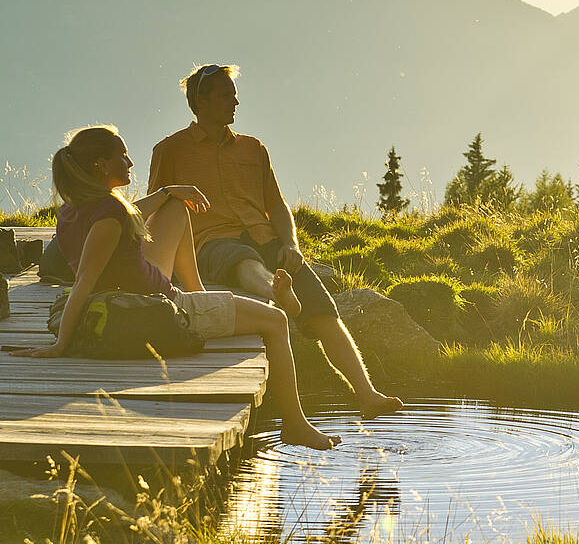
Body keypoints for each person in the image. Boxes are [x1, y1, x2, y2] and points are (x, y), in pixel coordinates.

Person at [13, 124, 339, 451]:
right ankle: (295, 425)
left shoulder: (72, 211)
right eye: (122, 156)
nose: (130, 163)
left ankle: (201, 293)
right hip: (162, 310)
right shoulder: (111, 213)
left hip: (127, 294)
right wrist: (60, 345)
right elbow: (84, 280)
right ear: (101, 164)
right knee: (276, 321)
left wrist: (169, 191)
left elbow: (121, 222)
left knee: (176, 208)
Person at [150, 63, 404, 419]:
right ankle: (276, 293)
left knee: (323, 309)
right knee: (242, 260)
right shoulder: (171, 149)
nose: (235, 102)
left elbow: (277, 204)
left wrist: (291, 244)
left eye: (235, 95)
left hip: (265, 238)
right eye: (226, 95)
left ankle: (367, 394)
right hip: (209, 242)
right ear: (201, 102)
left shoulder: (254, 149)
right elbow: (157, 210)